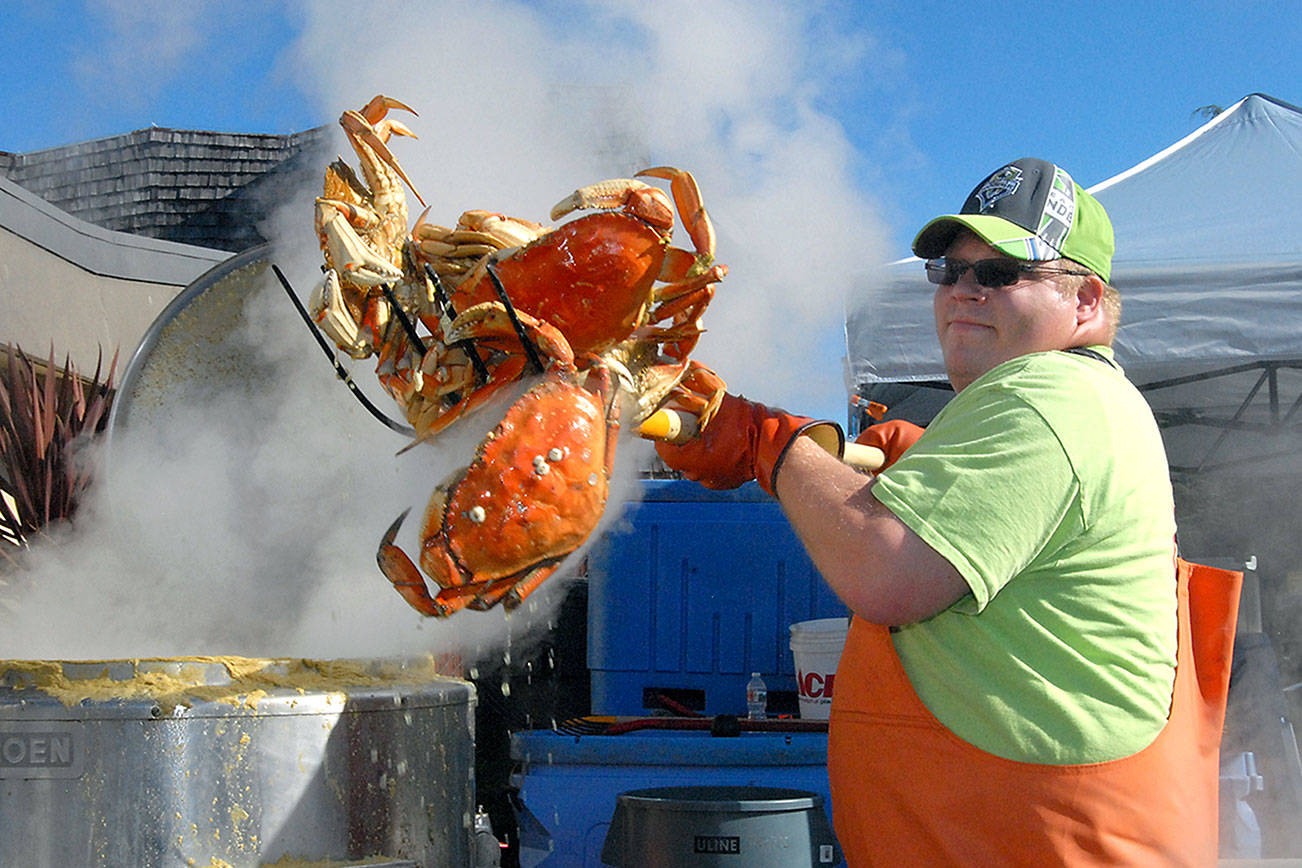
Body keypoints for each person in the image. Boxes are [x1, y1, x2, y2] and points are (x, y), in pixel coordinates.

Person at [656, 158, 1241, 865]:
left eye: (999, 274)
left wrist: (768, 443)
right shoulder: (1088, 401)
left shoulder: (1043, 397)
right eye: (949, 271)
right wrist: (928, 467)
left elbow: (886, 571)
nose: (964, 291)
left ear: (1086, 300)